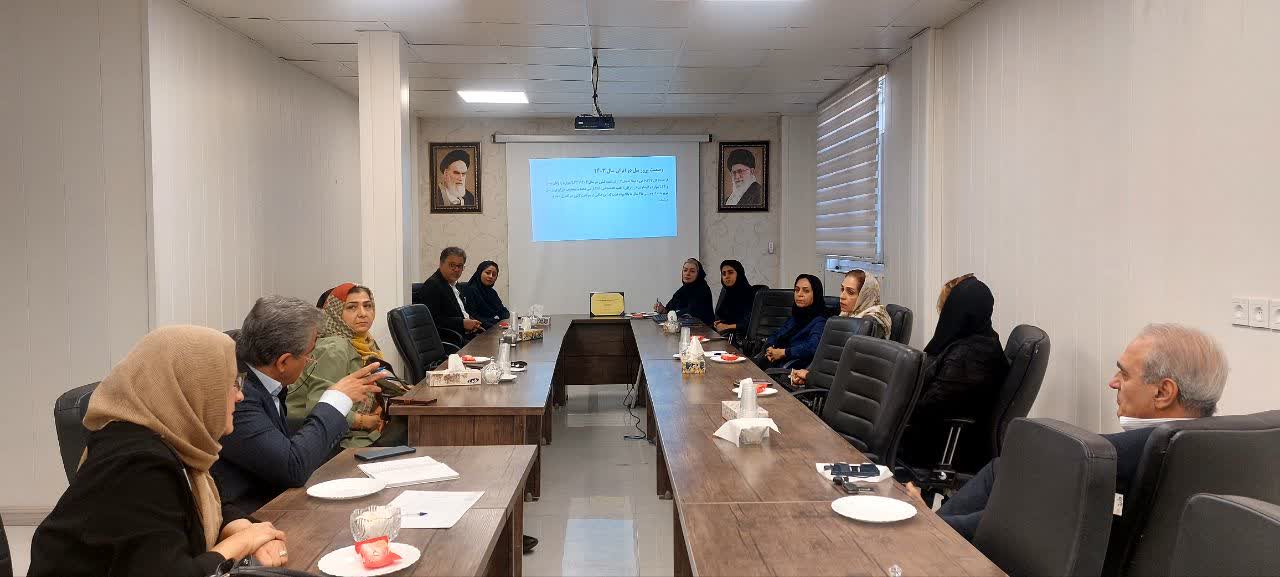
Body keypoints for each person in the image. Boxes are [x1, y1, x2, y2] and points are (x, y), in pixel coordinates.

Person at [913, 323, 1230, 540]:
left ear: (1163, 392)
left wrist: (929, 528)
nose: (1113, 383)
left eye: (1124, 374)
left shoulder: (1106, 456)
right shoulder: (1228, 445)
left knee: (1006, 472)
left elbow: (1017, 517)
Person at [31, 326, 289, 575]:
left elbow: (212, 504)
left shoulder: (174, 441)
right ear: (192, 387)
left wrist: (244, 529)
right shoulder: (137, 464)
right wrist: (242, 543)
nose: (240, 395)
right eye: (232, 382)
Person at [213, 296, 385, 514]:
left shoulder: (259, 371)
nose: (310, 361)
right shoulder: (237, 396)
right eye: (309, 355)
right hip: (251, 514)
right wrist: (336, 401)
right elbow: (292, 467)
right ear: (283, 362)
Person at [897, 274, 1009, 467]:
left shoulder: (966, 357)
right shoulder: (985, 340)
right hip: (953, 440)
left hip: (942, 447)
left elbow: (928, 408)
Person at [289, 284, 409, 449]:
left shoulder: (365, 341)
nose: (363, 313)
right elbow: (318, 409)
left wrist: (379, 407)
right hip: (333, 442)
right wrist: (365, 421)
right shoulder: (334, 347)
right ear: (336, 312)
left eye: (367, 306)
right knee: (413, 428)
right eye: (352, 307)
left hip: (352, 432)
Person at [789, 269, 891, 386]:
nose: (842, 296)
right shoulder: (848, 315)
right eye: (842, 289)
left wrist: (809, 376)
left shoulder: (868, 323)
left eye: (850, 292)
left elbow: (849, 370)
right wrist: (809, 373)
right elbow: (830, 357)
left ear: (865, 296)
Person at [413, 246, 484, 341]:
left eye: (460, 266)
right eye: (452, 265)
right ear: (441, 264)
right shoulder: (433, 285)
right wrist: (462, 323)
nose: (456, 269)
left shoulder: (455, 284)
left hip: (467, 335)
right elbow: (431, 321)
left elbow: (461, 312)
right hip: (450, 340)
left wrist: (471, 322)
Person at [761, 274, 828, 369]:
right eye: (797, 290)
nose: (799, 294)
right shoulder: (797, 315)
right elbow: (776, 334)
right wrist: (769, 348)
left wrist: (784, 353)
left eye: (806, 291)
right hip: (773, 361)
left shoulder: (820, 321)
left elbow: (812, 347)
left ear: (816, 294)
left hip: (790, 368)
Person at [653, 258, 715, 325]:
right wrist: (662, 309)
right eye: (685, 270)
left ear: (698, 274)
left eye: (692, 271)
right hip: (683, 327)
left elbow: (692, 312)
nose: (687, 273)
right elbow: (669, 309)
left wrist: (674, 314)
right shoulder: (682, 290)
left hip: (702, 328)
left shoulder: (703, 290)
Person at [711, 259, 756, 338]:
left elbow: (750, 323)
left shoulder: (749, 293)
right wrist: (718, 323)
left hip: (740, 338)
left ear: (739, 274)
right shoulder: (726, 292)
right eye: (723, 274)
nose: (726, 276)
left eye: (730, 272)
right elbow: (720, 314)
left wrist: (726, 327)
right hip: (725, 335)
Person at [462, 260, 510, 329]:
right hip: (479, 329)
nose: (491, 276)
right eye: (487, 273)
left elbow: (502, 310)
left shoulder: (492, 292)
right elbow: (472, 315)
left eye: (494, 274)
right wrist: (495, 325)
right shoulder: (470, 290)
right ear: (480, 272)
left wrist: (506, 321)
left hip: (495, 327)